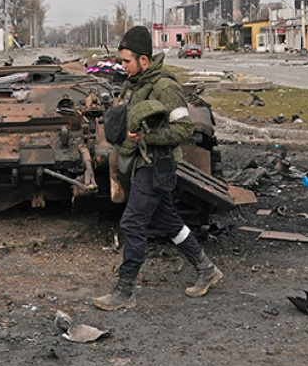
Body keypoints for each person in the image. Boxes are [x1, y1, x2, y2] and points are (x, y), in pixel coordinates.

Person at [94, 26, 222, 310]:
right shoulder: (135, 84)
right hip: (139, 162)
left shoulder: (166, 87)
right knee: (168, 221)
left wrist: (147, 137)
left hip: (156, 164)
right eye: (121, 61)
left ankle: (125, 291)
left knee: (132, 222)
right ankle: (206, 269)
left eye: (127, 61)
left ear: (144, 60)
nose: (122, 66)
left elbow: (183, 129)